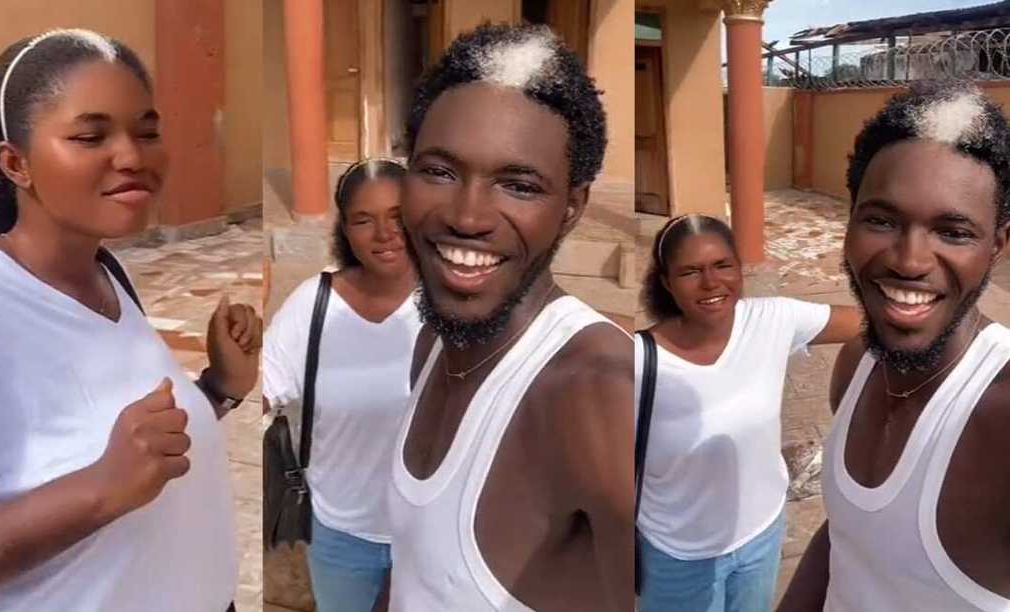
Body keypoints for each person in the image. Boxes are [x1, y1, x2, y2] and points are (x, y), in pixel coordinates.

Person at [0, 29, 262, 612]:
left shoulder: (107, 274)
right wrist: (100, 490)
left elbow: (126, 442)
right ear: (16, 163)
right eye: (91, 135)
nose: (134, 157)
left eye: (147, 130)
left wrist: (220, 388)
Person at [374, 24, 635, 612]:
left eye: (518, 185)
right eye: (439, 171)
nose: (468, 217)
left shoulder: (598, 390)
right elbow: (414, 565)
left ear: (572, 207)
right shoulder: (435, 345)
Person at [779, 81, 1010, 611]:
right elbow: (848, 536)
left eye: (952, 231)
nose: (909, 261)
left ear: (996, 246)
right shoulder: (856, 363)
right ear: (850, 221)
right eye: (881, 220)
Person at [636, 214, 860, 612]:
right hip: (678, 556)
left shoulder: (771, 319)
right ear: (667, 283)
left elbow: (865, 322)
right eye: (690, 272)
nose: (711, 283)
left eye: (723, 265)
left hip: (762, 537)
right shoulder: (639, 360)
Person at [261, 158, 419, 612]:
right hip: (342, 538)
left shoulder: (453, 304)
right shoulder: (315, 304)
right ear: (345, 231)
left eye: (398, 216)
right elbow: (263, 388)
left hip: (435, 537)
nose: (385, 234)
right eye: (364, 220)